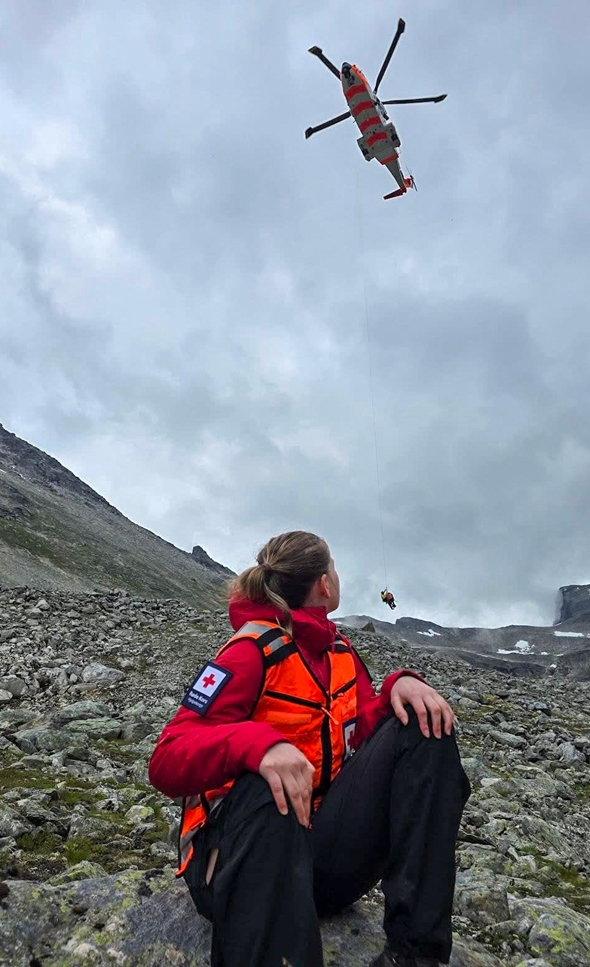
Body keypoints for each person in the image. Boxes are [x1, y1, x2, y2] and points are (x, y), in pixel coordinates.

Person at [149, 531, 470, 967]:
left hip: (319, 860)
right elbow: (167, 758)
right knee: (269, 782)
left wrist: (402, 684)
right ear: (324, 584)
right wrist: (258, 744)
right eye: (333, 567)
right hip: (238, 867)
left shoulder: (338, 650)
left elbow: (360, 728)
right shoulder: (249, 652)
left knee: (423, 728)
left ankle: (414, 954)